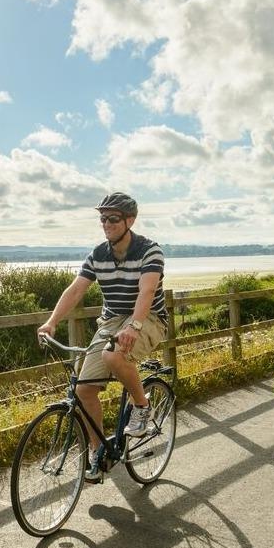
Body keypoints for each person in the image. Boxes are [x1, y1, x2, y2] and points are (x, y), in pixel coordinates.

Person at [37, 192, 168, 481]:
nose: (106, 224)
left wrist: (133, 327)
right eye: (103, 219)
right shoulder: (98, 254)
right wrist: (51, 322)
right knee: (82, 390)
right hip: (111, 321)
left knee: (114, 355)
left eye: (113, 218)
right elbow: (76, 289)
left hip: (147, 318)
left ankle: (142, 405)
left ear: (130, 220)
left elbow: (146, 292)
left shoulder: (149, 250)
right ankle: (97, 453)